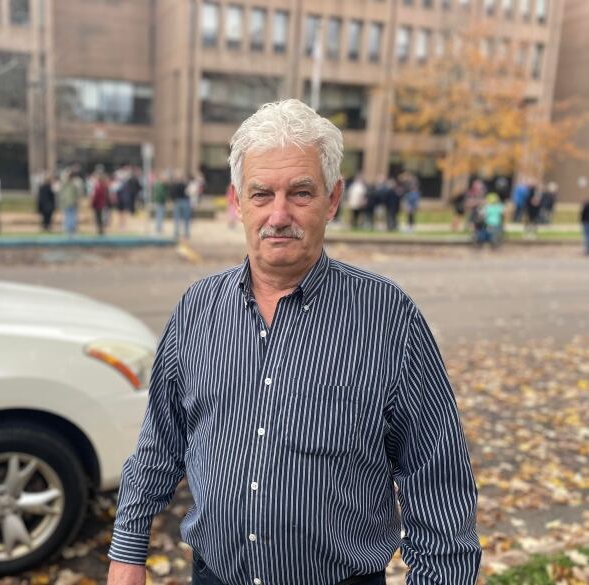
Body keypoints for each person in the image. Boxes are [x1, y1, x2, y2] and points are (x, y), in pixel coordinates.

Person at [106, 100, 481, 585]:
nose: (278, 215)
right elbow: (160, 442)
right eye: (261, 194)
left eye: (300, 193)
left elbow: (438, 483)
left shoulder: (389, 319)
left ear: (332, 199)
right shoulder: (196, 309)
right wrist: (127, 552)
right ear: (238, 203)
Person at [59, 169, 83, 235]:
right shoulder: (70, 184)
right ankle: (70, 229)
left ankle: (70, 229)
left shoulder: (71, 184)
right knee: (69, 216)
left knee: (70, 216)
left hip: (70, 202)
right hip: (69, 202)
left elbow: (76, 194)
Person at [170, 171, 190, 239]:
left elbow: (171, 193)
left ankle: (176, 232)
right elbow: (188, 192)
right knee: (185, 218)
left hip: (177, 201)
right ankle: (186, 232)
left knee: (177, 218)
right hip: (184, 201)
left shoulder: (174, 184)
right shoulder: (184, 184)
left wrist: (174, 199)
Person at [91, 171, 109, 235]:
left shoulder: (99, 187)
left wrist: (93, 203)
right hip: (100, 204)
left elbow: (96, 196)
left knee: (99, 218)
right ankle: (100, 230)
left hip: (99, 204)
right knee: (100, 218)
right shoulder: (103, 186)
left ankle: (100, 230)